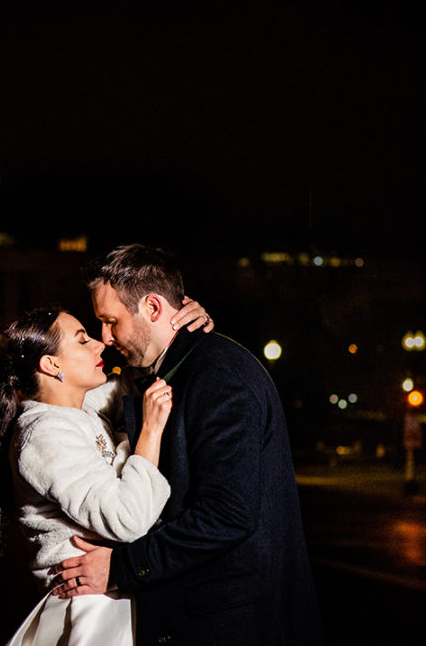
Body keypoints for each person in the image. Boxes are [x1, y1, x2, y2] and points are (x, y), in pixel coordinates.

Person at [50, 244, 324, 645]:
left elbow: (228, 514)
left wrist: (122, 567)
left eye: (112, 321)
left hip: (231, 625)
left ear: (155, 309)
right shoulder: (172, 370)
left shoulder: (220, 377)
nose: (106, 338)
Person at [0, 299, 212, 646]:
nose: (100, 343)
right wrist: (148, 432)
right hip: (94, 610)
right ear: (51, 364)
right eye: (82, 339)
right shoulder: (44, 435)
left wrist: (182, 326)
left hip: (114, 597)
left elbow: (137, 378)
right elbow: (129, 518)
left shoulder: (77, 409)